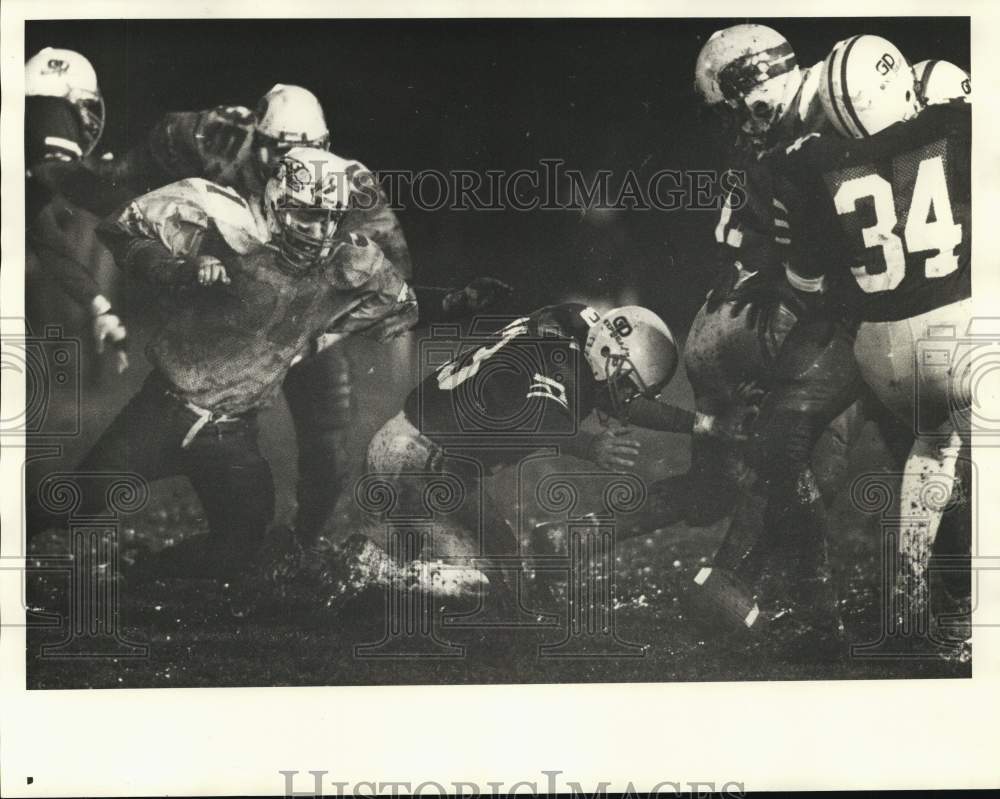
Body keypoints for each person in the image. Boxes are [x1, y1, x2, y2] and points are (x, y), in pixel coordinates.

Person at [93, 83, 511, 539]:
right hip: (229, 310)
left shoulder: (346, 182)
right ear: (255, 136)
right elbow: (144, 161)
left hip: (304, 317)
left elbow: (391, 275)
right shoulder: (218, 135)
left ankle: (304, 538)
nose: (292, 162)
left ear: (326, 149)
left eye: (307, 150)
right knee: (203, 411)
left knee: (328, 445)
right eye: (279, 149)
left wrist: (321, 334)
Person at [31, 148, 418, 580]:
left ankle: (140, 575)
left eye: (329, 217)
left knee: (241, 543)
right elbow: (123, 232)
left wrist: (329, 333)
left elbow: (401, 301)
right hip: (164, 412)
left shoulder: (341, 263)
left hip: (232, 432)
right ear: (277, 201)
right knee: (67, 504)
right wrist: (181, 268)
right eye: (307, 215)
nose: (317, 230)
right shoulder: (224, 222)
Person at [769, 35, 971, 636]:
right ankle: (958, 601)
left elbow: (805, 281)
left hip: (879, 352)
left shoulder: (813, 162)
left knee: (934, 449)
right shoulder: (956, 125)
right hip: (959, 330)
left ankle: (906, 609)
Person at [25, 47, 129, 372]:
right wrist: (143, 208)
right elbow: (58, 171)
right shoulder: (48, 132)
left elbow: (49, 244)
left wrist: (100, 307)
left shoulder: (28, 168)